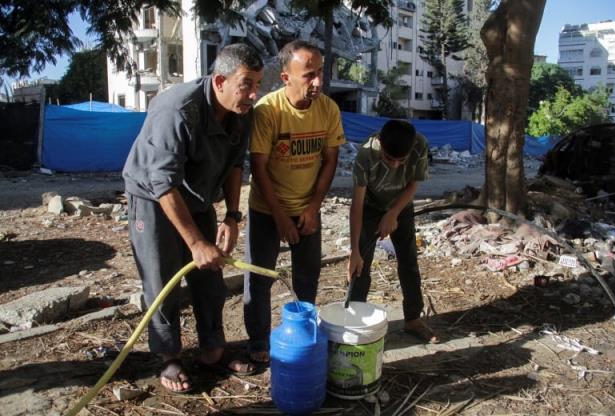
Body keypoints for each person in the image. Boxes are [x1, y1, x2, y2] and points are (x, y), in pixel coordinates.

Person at [122, 43, 264, 393]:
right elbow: (162, 183)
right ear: (219, 81)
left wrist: (231, 217)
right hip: (154, 197)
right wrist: (195, 242)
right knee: (162, 276)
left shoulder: (243, 113)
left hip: (198, 196)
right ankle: (169, 356)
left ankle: (213, 347)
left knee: (210, 273)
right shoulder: (178, 109)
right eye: (246, 84)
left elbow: (234, 165)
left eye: (257, 84)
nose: (253, 94)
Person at [243, 40, 345, 363]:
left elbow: (331, 160)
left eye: (320, 74)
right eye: (309, 75)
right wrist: (279, 217)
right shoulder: (268, 111)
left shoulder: (329, 109)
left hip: (307, 210)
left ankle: (303, 335)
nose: (317, 82)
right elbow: (257, 168)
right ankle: (258, 342)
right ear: (286, 77)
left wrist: (313, 207)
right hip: (266, 209)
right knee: (259, 277)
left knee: (307, 276)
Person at [348, 119, 439, 344]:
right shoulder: (366, 155)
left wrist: (393, 213)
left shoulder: (419, 145)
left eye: (402, 160)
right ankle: (354, 321)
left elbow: (413, 184)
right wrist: (354, 250)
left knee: (409, 261)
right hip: (369, 207)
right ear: (380, 143)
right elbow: (357, 205)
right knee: (360, 266)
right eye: (389, 158)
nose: (396, 165)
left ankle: (413, 319)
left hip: (401, 203)